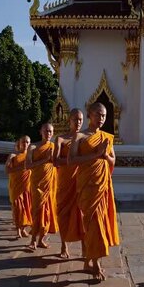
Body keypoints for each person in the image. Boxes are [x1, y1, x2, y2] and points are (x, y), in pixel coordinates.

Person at [68, 102, 119, 281]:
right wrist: (95, 155)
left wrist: (105, 155)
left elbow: (113, 161)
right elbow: (71, 160)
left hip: (102, 185)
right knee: (92, 222)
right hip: (86, 185)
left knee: (98, 223)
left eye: (104, 116)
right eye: (98, 114)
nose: (101, 118)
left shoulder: (106, 137)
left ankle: (91, 261)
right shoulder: (79, 136)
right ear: (89, 114)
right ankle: (94, 263)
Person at [54, 109, 85, 258]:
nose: (78, 122)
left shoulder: (84, 138)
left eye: (80, 119)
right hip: (65, 181)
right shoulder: (60, 139)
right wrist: (72, 161)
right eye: (75, 119)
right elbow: (55, 160)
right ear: (69, 120)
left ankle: (85, 247)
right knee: (63, 214)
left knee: (82, 214)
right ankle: (64, 245)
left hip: (81, 180)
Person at [26, 123, 59, 250]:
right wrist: (45, 159)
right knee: (37, 211)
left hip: (49, 184)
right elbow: (27, 166)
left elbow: (58, 163)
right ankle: (33, 239)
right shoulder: (33, 147)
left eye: (51, 131)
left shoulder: (54, 146)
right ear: (40, 131)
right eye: (46, 131)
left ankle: (41, 239)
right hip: (37, 184)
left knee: (47, 211)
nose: (48, 134)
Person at [5, 135, 33, 239]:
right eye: (24, 142)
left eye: (28, 142)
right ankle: (18, 229)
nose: (26, 144)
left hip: (27, 186)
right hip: (16, 186)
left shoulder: (31, 156)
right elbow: (7, 170)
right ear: (19, 143)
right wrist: (21, 166)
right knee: (18, 208)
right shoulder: (13, 156)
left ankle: (23, 228)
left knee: (26, 208)